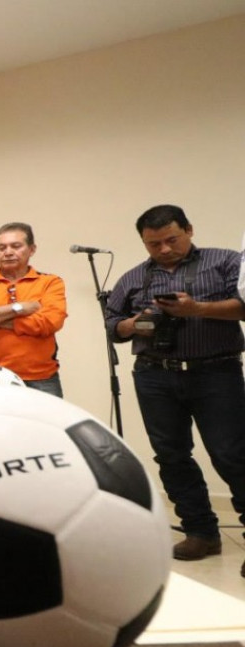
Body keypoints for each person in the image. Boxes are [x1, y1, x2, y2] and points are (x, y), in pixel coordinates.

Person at [104, 204, 245, 572]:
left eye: (171, 239)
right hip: (155, 375)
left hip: (216, 372)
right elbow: (111, 324)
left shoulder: (225, 262)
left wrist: (196, 308)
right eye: (153, 244)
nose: (164, 249)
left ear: (189, 229)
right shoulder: (133, 277)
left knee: (232, 454)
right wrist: (133, 324)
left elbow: (244, 307)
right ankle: (200, 531)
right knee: (171, 455)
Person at [0, 222, 67, 396]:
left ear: (32, 249)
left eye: (16, 246)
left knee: (44, 424)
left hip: (41, 378)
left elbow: (49, 323)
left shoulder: (50, 282)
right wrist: (20, 308)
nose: (8, 252)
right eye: (1, 247)